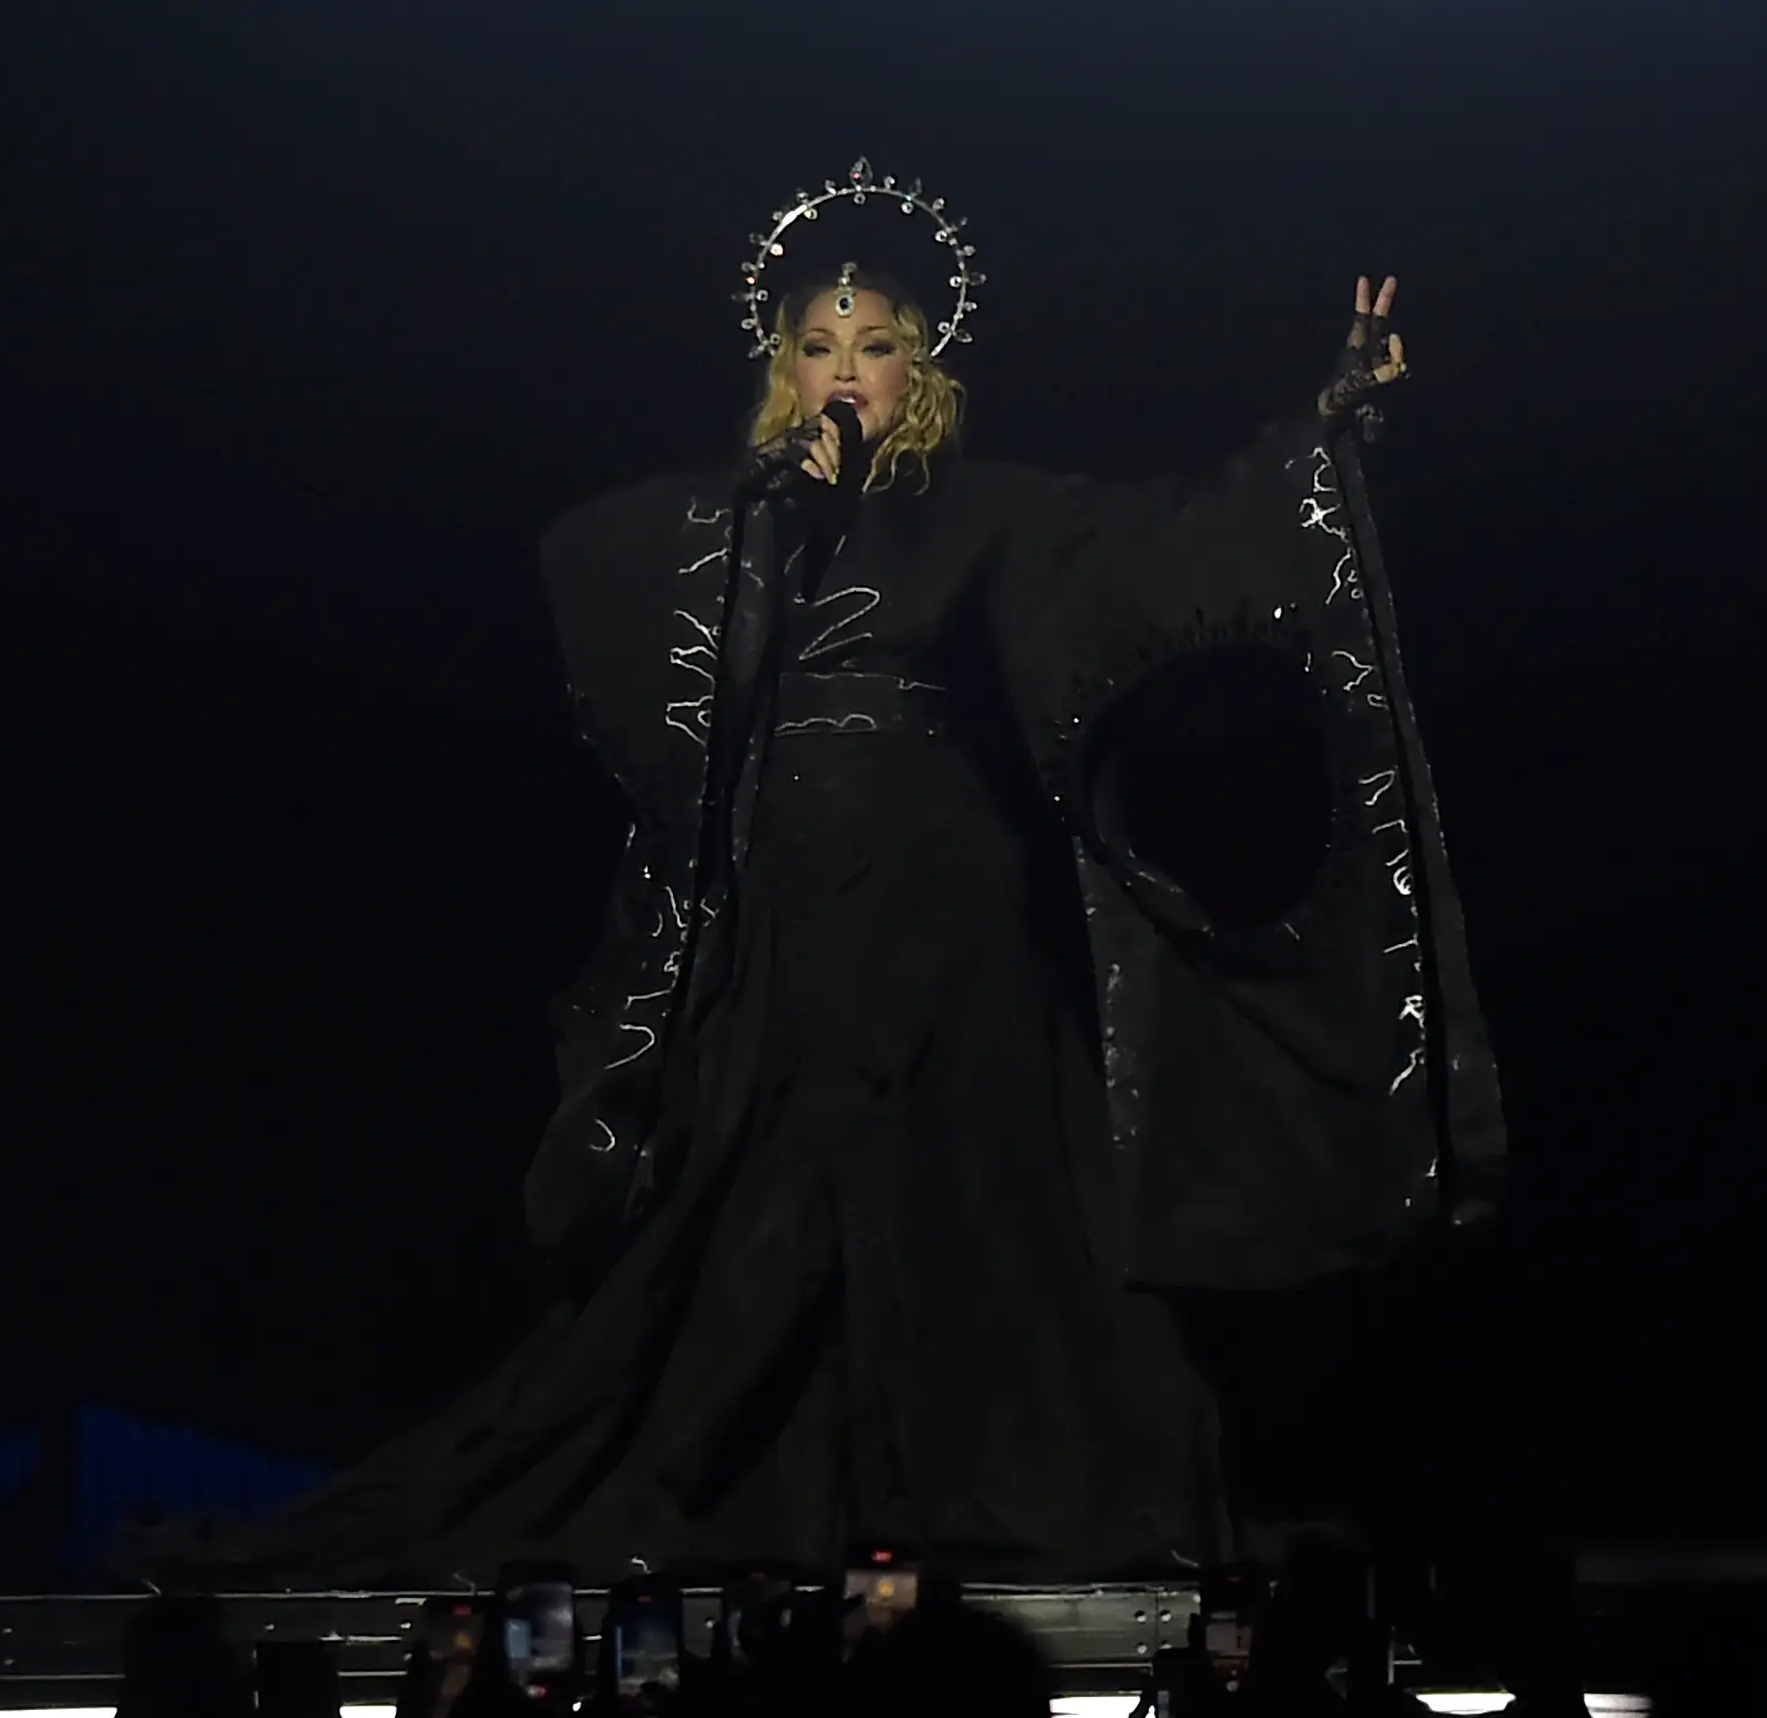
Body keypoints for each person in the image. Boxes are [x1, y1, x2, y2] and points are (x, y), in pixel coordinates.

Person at [151, 160, 1500, 1588]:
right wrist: (767, 517)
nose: (846, 372)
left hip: (949, 904)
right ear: (780, 369)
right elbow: (602, 598)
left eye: (877, 346)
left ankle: (1010, 1488)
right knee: (763, 1199)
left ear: (921, 368)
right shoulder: (723, 523)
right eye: (818, 347)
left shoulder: (989, 509)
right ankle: (748, 1486)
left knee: (973, 1193)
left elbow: (1169, 544)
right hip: (786, 901)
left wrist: (1330, 422)